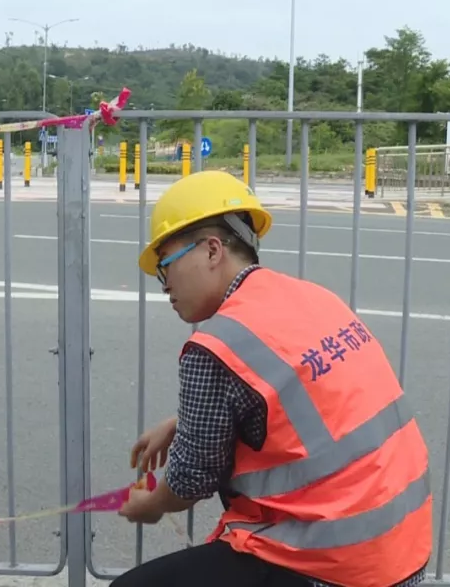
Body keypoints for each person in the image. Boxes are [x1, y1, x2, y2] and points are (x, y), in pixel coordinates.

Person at [113, 171, 433, 587]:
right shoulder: (313, 297)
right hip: (400, 549)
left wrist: (151, 505)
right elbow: (295, 394)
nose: (165, 286)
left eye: (165, 266)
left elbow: (191, 478)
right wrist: (181, 423)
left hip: (328, 563)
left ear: (212, 250)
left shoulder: (215, 345)